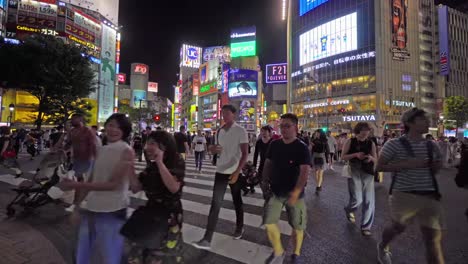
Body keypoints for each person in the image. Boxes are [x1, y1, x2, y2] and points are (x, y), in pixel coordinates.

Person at [60, 113, 134, 264]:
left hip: (113, 210)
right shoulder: (102, 149)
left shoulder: (126, 150)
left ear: (125, 131)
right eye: (111, 125)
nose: (113, 130)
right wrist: (77, 206)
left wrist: (76, 185)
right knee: (83, 254)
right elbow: (92, 178)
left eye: (119, 127)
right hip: (93, 208)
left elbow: (113, 185)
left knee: (109, 256)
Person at [376, 108, 445, 264]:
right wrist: (406, 164)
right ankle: (382, 245)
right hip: (403, 194)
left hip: (429, 195)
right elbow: (379, 167)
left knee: (433, 240)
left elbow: (436, 168)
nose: (428, 122)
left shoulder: (431, 145)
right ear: (409, 123)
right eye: (423, 119)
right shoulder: (393, 144)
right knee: (398, 227)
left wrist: (436, 165)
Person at [193, 104, 248, 250]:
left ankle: (240, 227)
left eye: (227, 113)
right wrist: (212, 149)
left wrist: (237, 172)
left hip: (235, 171)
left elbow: (245, 154)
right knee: (215, 204)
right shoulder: (220, 131)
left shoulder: (241, 131)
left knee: (237, 201)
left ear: (234, 114)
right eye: (222, 113)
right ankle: (207, 238)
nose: (224, 116)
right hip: (221, 171)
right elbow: (214, 150)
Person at [127, 131, 185, 263]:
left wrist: (160, 163)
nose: (147, 146)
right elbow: (136, 188)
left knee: (162, 254)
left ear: (164, 145)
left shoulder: (176, 160)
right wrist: (130, 166)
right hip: (151, 212)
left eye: (152, 143)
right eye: (147, 143)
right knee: (139, 252)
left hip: (169, 215)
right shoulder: (151, 166)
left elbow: (174, 188)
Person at [261, 113, 310, 264]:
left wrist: (296, 192)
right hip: (276, 191)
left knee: (297, 226)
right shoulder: (274, 145)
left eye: (287, 126)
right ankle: (278, 250)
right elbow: (267, 164)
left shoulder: (301, 148)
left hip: (295, 193)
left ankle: (296, 253)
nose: (283, 129)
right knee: (269, 222)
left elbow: (304, 173)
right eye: (281, 126)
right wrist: (264, 181)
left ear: (296, 127)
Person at [341, 122, 377, 236]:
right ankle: (349, 209)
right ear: (358, 130)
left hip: (368, 172)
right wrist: (355, 155)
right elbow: (343, 157)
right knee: (357, 198)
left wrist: (370, 158)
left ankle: (366, 226)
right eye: (363, 129)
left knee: (369, 200)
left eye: (368, 130)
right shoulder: (350, 141)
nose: (366, 132)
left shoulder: (371, 143)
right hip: (354, 171)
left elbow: (376, 159)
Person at [65, 114, 97, 212]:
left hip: (87, 160)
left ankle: (76, 203)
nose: (72, 121)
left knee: (80, 182)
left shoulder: (87, 131)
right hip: (77, 160)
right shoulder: (72, 131)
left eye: (74, 119)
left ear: (80, 119)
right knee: (81, 181)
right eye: (71, 119)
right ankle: (79, 202)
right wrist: (61, 150)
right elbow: (68, 144)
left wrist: (97, 160)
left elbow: (93, 145)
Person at [253, 125, 273, 197]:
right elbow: (255, 155)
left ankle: (270, 194)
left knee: (271, 181)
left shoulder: (273, 142)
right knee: (261, 181)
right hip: (262, 165)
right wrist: (254, 166)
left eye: (265, 131)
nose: (263, 133)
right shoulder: (259, 142)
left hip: (271, 165)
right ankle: (266, 194)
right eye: (262, 131)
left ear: (269, 132)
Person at [311, 129, 328, 194]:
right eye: (316, 133)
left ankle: (318, 187)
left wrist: (327, 159)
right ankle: (319, 185)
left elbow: (327, 150)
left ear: (321, 134)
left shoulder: (324, 141)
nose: (316, 134)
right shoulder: (314, 140)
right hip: (315, 156)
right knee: (316, 173)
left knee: (320, 173)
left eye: (317, 133)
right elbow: (311, 150)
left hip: (322, 156)